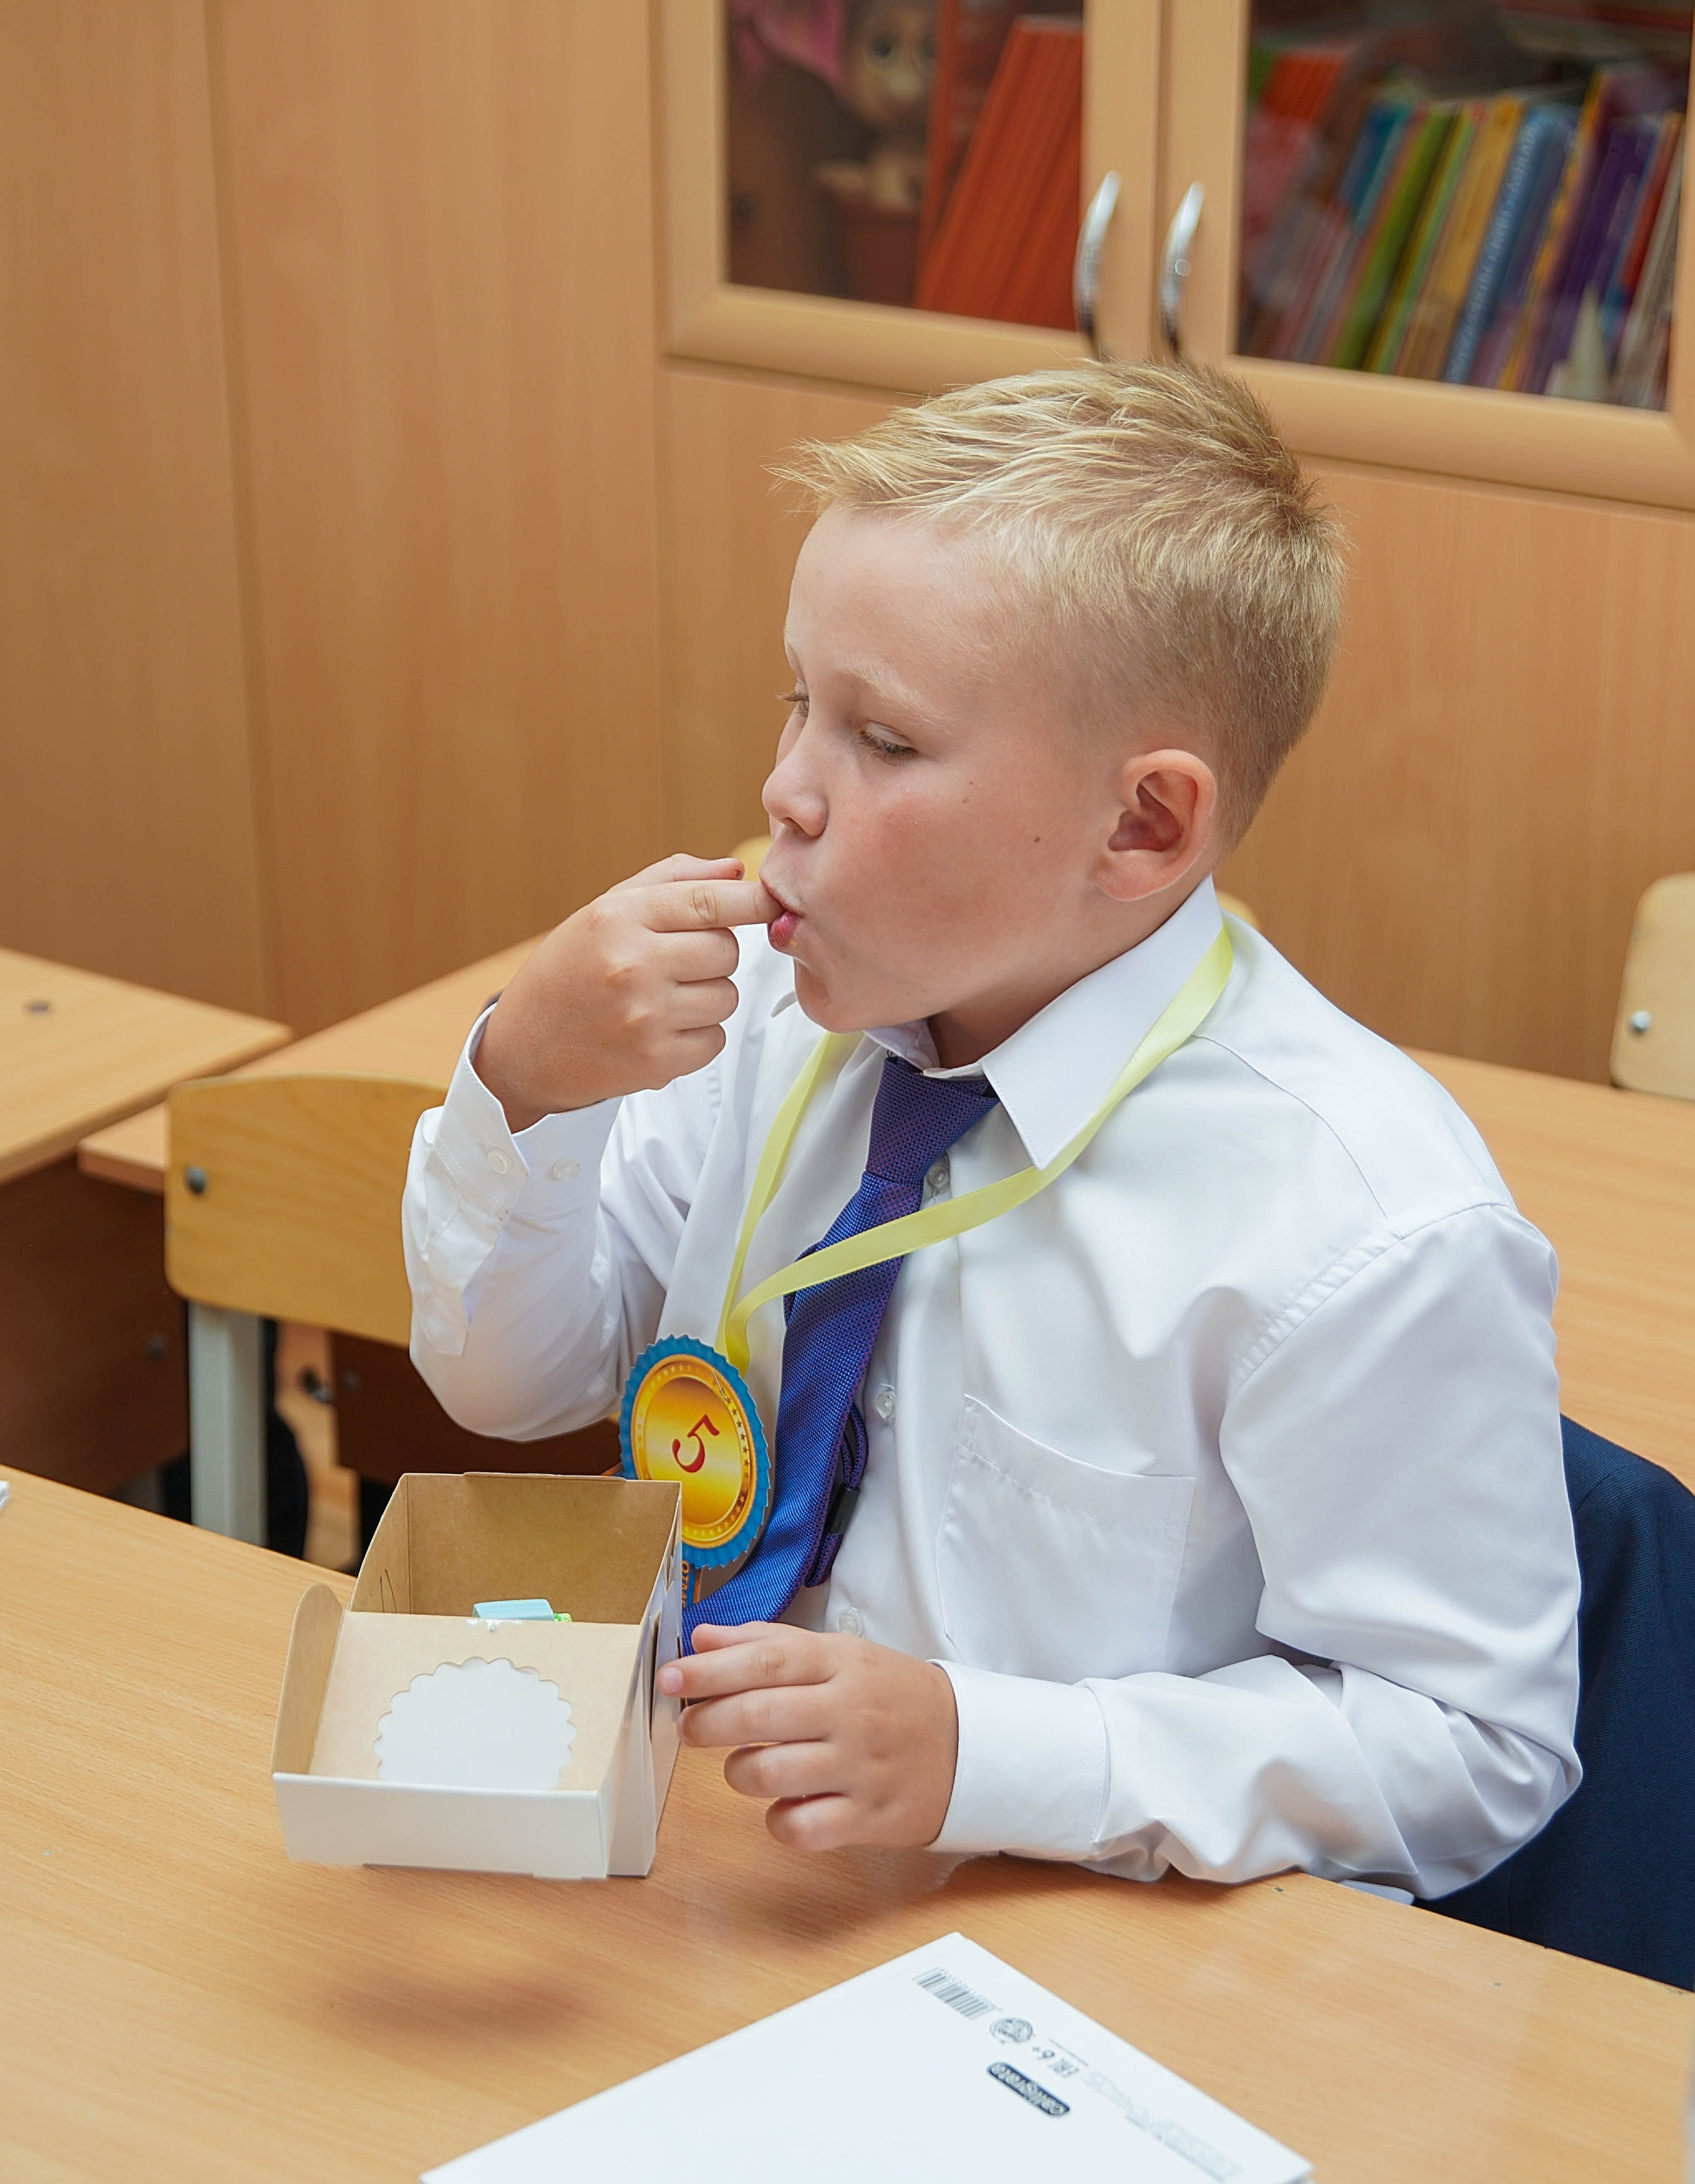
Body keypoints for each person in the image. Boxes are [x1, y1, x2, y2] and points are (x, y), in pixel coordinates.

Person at [402, 361, 1580, 1897]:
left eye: (880, 741)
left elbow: (1468, 1744)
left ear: (1142, 825)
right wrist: (528, 1078)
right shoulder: (770, 1018)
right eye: (796, 702)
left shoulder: (1354, 1222)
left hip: (1059, 1960)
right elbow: (508, 1382)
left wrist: (997, 1750)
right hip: (701, 1877)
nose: (781, 793)